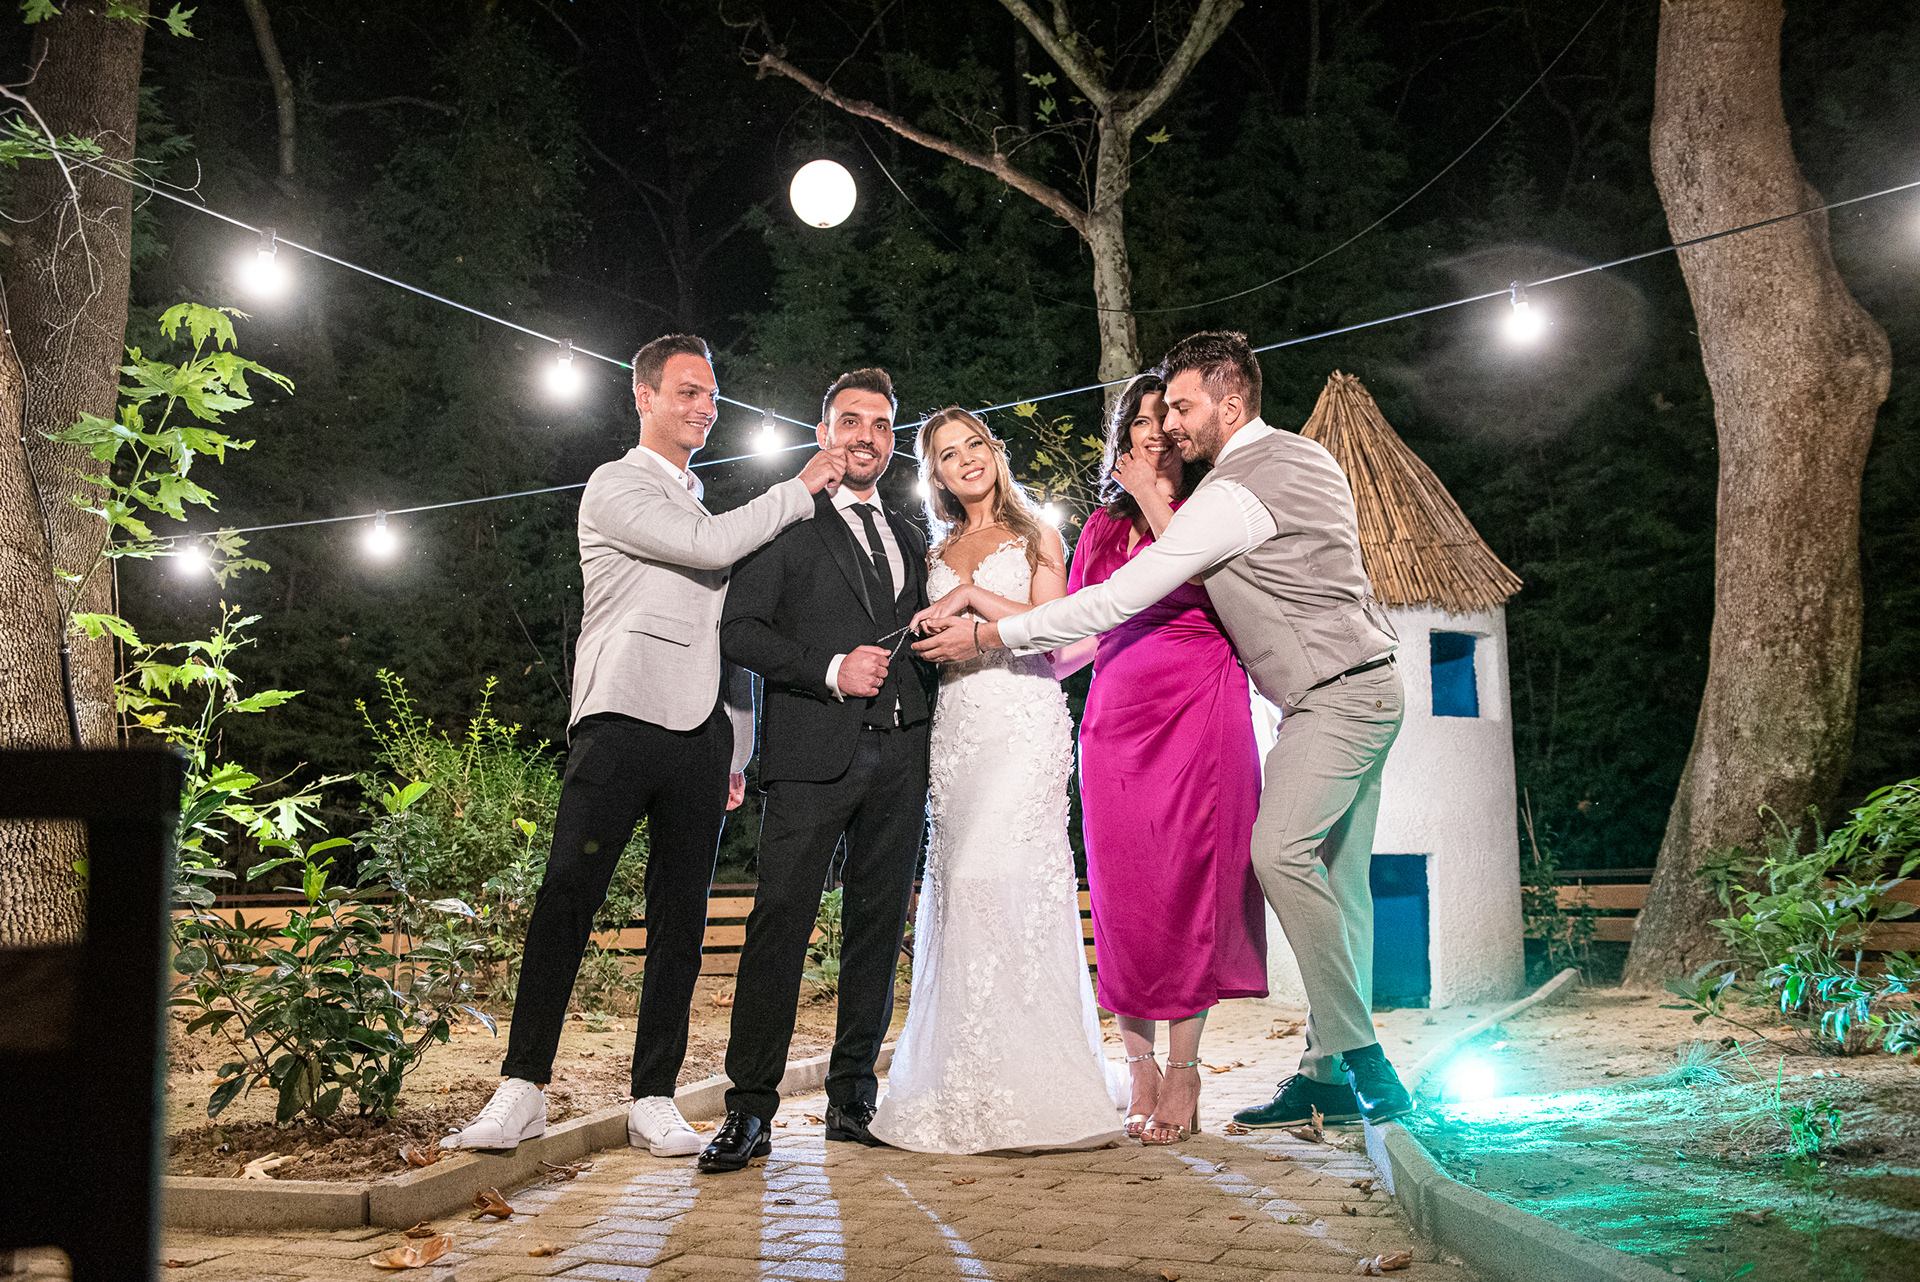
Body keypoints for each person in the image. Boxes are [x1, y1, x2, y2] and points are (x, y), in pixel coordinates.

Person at [914, 331, 1416, 1129]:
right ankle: (1326, 1072)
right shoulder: (1305, 456)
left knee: (1278, 853)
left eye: (1180, 407)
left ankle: (1363, 1062)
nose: (1170, 425)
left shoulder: (1233, 491)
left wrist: (986, 632)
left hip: (1335, 695)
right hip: (1355, 686)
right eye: (1157, 413)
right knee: (1342, 884)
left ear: (1230, 403)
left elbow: (1113, 602)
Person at [443, 334, 846, 1156]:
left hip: (700, 736)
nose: (707, 407)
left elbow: (730, 632)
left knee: (680, 918)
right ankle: (522, 1088)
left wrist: (737, 747)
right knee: (568, 894)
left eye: (712, 394)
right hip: (621, 720)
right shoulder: (617, 485)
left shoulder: (703, 507)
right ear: (645, 397)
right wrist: (799, 488)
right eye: (689, 391)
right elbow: (709, 551)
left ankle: (653, 1097)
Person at [698, 368, 941, 1174]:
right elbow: (738, 630)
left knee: (877, 929)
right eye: (851, 420)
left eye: (881, 424)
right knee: (779, 926)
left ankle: (852, 1099)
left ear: (893, 440)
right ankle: (749, 1109)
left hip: (903, 754)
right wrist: (830, 669)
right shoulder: (788, 522)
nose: (866, 436)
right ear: (823, 432)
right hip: (811, 757)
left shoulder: (911, 534)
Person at [868, 406, 1126, 1156]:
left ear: (994, 451)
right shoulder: (935, 549)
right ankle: (968, 1080)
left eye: (974, 444)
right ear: (938, 477)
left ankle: (1037, 1086)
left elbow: (1064, 633)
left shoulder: (1038, 534)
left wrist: (974, 598)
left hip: (1022, 722)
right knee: (960, 890)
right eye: (948, 455)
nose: (966, 459)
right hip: (957, 731)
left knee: (1006, 883)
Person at [1069, 372, 1267, 1145]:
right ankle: (1139, 1065)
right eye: (1139, 420)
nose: (1153, 431)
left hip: (1198, 707)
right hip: (1115, 718)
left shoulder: (1217, 509)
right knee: (1122, 894)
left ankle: (1185, 1070)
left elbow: (1228, 599)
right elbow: (1077, 627)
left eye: (1165, 418)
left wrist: (1155, 499)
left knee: (1188, 885)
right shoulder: (1099, 528)